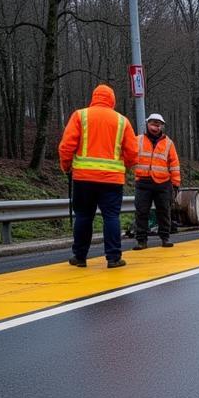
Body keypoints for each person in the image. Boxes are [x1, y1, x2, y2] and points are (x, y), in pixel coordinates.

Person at [57, 84, 138, 268]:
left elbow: (66, 146)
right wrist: (124, 166)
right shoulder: (121, 121)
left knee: (83, 216)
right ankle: (113, 258)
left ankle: (79, 257)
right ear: (112, 100)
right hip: (111, 180)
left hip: (83, 178)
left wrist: (66, 166)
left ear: (93, 97)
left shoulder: (80, 115)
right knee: (111, 217)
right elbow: (133, 152)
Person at [133, 113, 181, 249]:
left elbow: (174, 164)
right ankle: (141, 240)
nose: (155, 127)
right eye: (153, 124)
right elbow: (129, 156)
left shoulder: (169, 143)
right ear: (147, 124)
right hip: (143, 181)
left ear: (162, 127)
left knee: (164, 211)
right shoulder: (138, 140)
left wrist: (176, 183)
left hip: (163, 183)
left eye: (158, 125)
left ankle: (165, 238)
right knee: (141, 212)